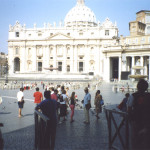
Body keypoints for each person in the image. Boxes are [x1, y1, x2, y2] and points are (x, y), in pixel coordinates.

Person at [127, 79, 150, 150]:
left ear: (137, 87)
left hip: (136, 120)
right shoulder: (149, 95)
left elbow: (129, 108)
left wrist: (130, 118)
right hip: (147, 120)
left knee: (135, 139)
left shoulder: (133, 96)